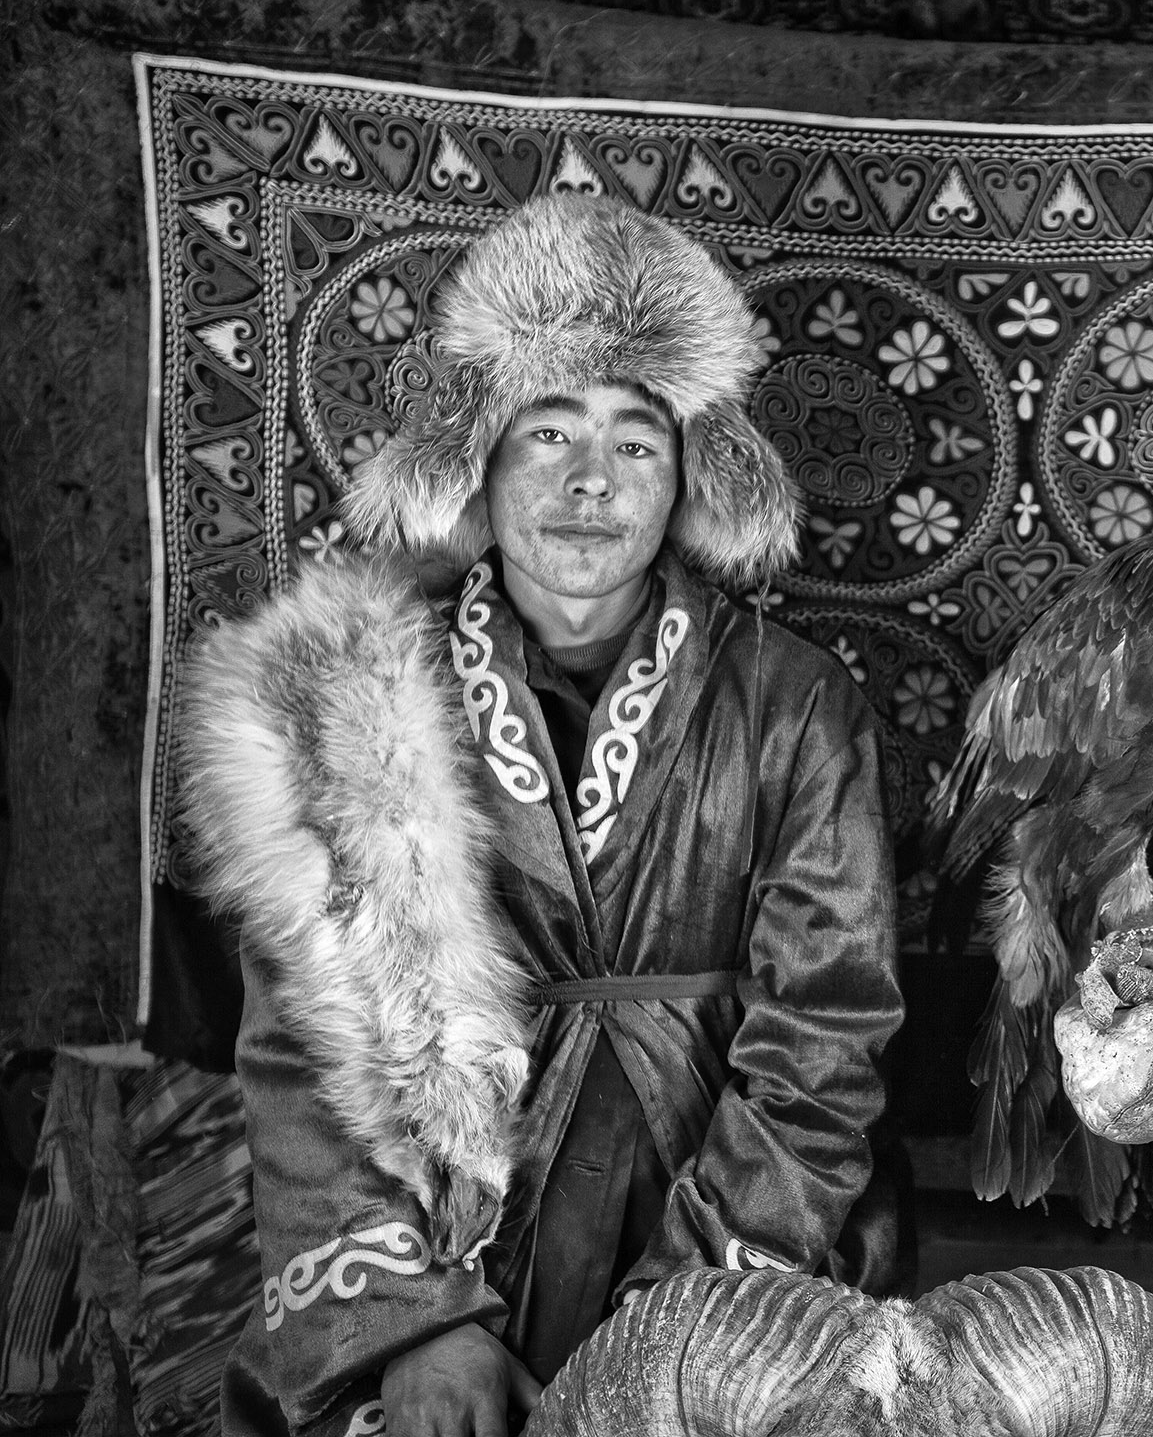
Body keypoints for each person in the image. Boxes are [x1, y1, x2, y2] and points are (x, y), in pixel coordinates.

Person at [178, 193, 907, 1437]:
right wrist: (419, 1327)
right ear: (481, 454)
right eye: (548, 430)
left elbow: (826, 1033)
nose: (588, 481)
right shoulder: (350, 697)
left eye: (636, 442)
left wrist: (678, 1331)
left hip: (733, 1233)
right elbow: (304, 1043)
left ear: (687, 475)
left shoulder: (797, 703)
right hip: (453, 1238)